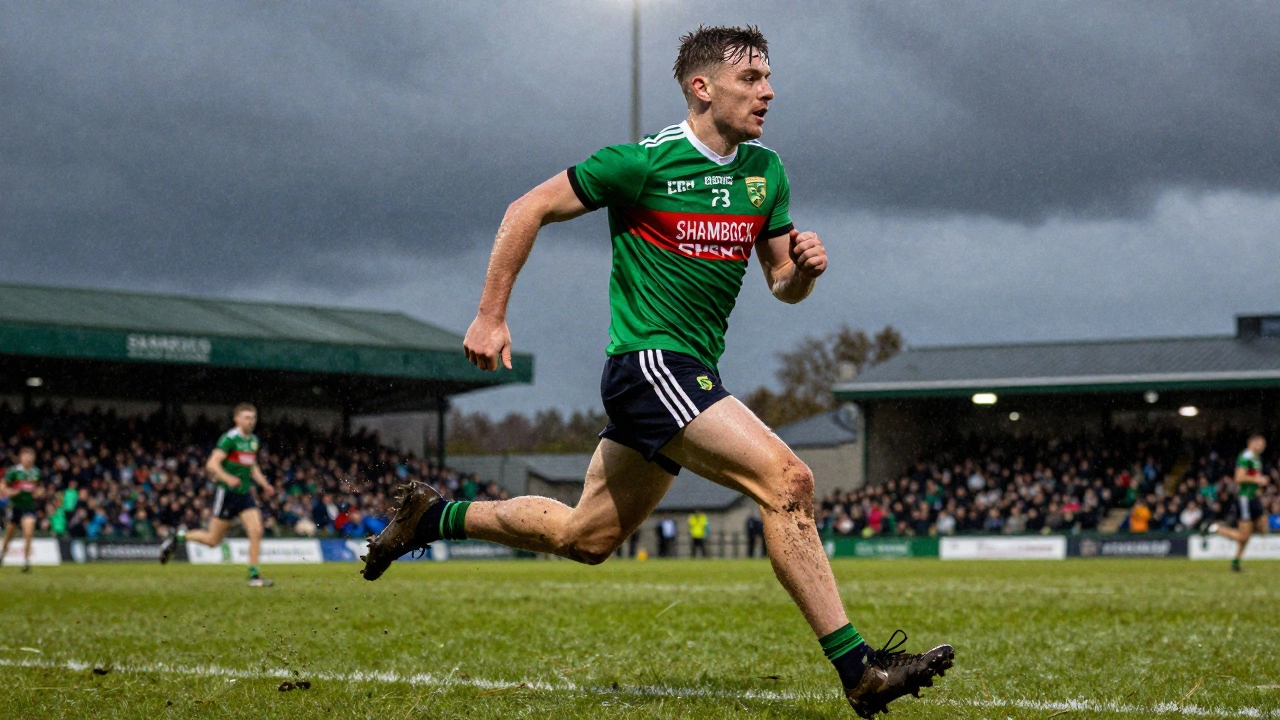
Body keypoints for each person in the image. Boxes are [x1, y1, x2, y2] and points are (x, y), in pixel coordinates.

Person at [359, 25, 952, 717]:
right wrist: (490, 315)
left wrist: (804, 272)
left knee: (585, 538)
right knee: (788, 481)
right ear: (702, 88)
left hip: (686, 374)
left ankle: (432, 518)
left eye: (768, 78)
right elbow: (528, 209)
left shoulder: (768, 173)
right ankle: (861, 670)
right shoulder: (641, 164)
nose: (768, 91)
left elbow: (781, 284)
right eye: (751, 80)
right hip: (649, 365)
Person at [159, 403, 276, 586]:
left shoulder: (253, 441)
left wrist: (264, 484)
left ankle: (254, 575)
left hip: (245, 494)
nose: (251, 421)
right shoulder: (229, 439)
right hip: (227, 494)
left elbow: (252, 465)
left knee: (256, 530)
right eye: (247, 417)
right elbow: (212, 464)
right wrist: (227, 478)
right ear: (237, 419)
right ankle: (178, 537)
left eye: (253, 418)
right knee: (212, 540)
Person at [1209, 433, 1269, 572]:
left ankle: (1236, 563)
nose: (1262, 446)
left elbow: (1251, 477)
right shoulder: (1246, 456)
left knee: (1262, 529)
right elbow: (1239, 477)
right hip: (1245, 499)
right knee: (1243, 536)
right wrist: (1257, 480)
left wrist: (1258, 488)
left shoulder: (1256, 458)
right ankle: (1217, 529)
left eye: (1264, 443)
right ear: (1251, 443)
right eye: (1260, 443)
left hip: (1253, 498)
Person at [1, 447, 42, 572]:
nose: (28, 459)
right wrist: (11, 492)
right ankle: (2, 555)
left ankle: (26, 562)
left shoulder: (36, 472)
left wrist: (38, 493)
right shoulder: (14, 472)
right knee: (9, 536)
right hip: (14, 508)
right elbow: (2, 486)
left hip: (28, 507)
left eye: (30, 457)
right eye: (25, 457)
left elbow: (37, 488)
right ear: (21, 458)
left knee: (28, 533)